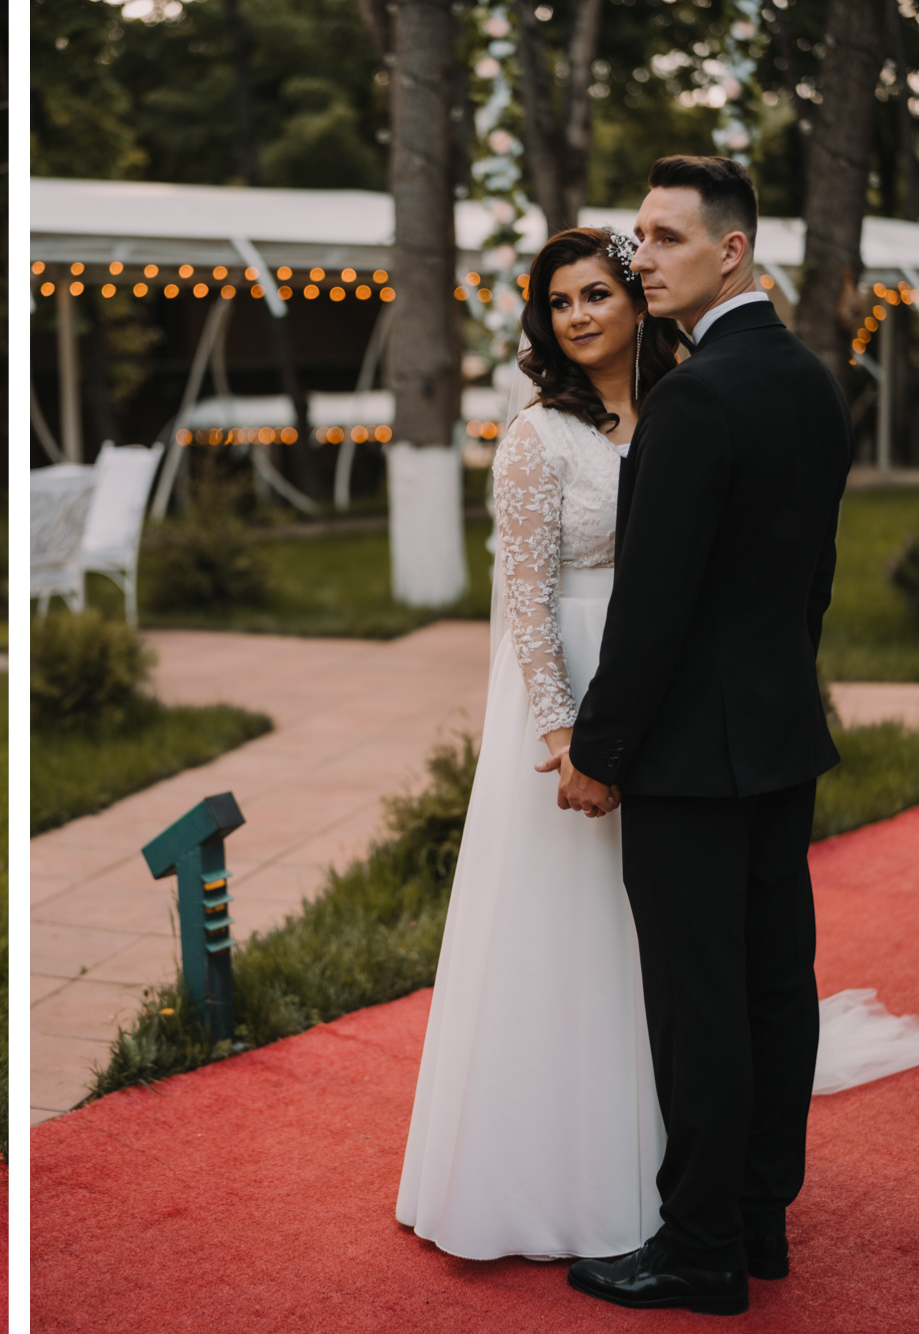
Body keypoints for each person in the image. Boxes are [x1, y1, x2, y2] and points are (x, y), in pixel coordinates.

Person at [545, 157, 853, 1315]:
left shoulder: (693, 396)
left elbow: (654, 604)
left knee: (700, 1003)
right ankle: (762, 1218)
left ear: (732, 250)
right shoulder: (812, 383)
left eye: (666, 238)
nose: (641, 259)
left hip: (685, 757)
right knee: (776, 984)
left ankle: (700, 1246)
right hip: (778, 737)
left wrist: (600, 749)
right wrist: (773, 691)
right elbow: (810, 582)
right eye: (638, 236)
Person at [396, 225, 682, 1263]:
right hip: (570, 688)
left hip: (661, 683)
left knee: (650, 922)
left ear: (637, 300)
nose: (579, 315)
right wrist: (565, 736)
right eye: (560, 302)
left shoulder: (678, 411)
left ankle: (662, 1147)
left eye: (597, 293)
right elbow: (523, 597)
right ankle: (546, 1168)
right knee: (569, 913)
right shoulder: (537, 436)